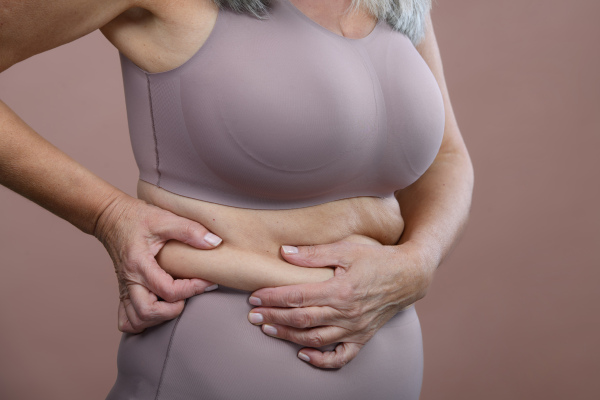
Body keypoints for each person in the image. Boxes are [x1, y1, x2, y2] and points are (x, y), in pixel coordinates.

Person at [0, 0, 473, 398]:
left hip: (392, 369)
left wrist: (419, 261)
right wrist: (106, 214)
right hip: (217, 363)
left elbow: (447, 157)